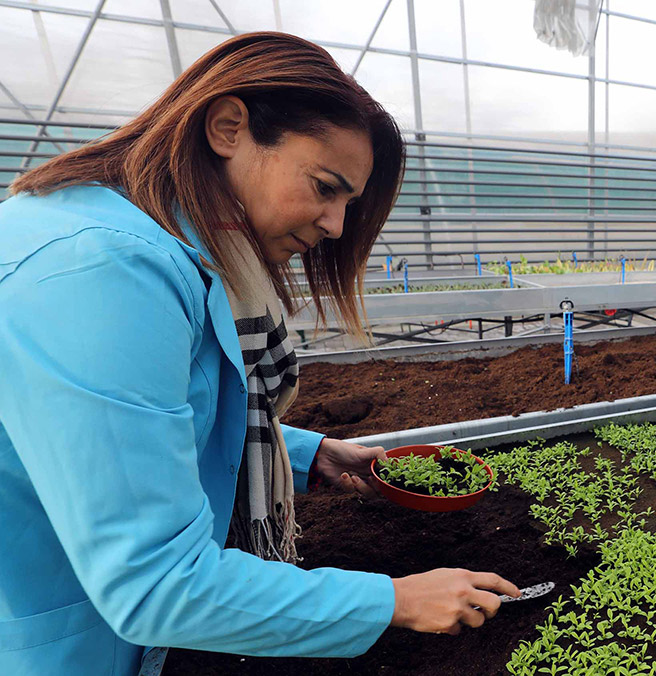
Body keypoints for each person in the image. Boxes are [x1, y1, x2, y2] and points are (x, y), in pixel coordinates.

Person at [0, 33, 519, 676]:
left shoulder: (150, 238)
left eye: (347, 204)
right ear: (228, 128)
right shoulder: (102, 273)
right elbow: (157, 583)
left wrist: (307, 453)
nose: (335, 224)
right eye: (326, 187)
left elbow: (142, 419)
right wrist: (395, 600)